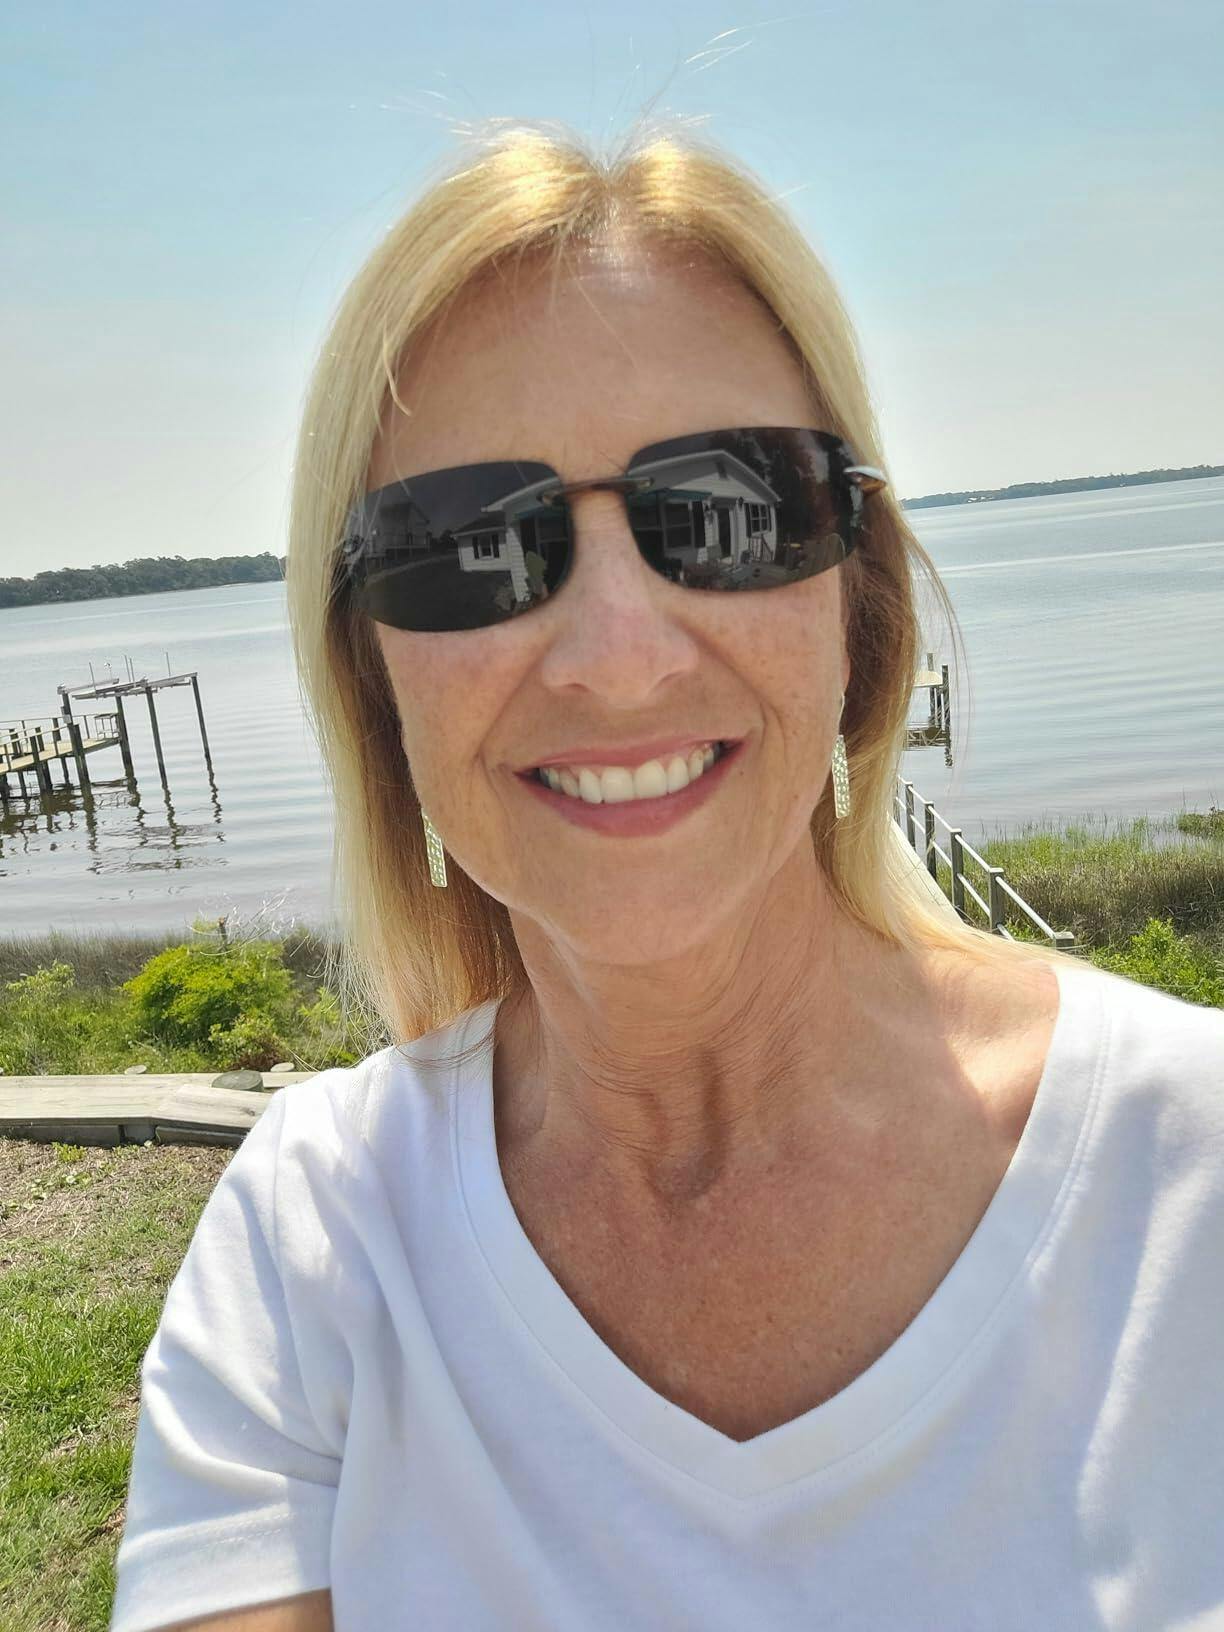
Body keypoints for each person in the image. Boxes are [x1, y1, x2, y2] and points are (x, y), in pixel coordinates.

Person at [110, 121, 1224, 1632]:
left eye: (727, 510)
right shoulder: (311, 1252)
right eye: (467, 543)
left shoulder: (1189, 1171)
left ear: (860, 604)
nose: (619, 656)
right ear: (373, 679)